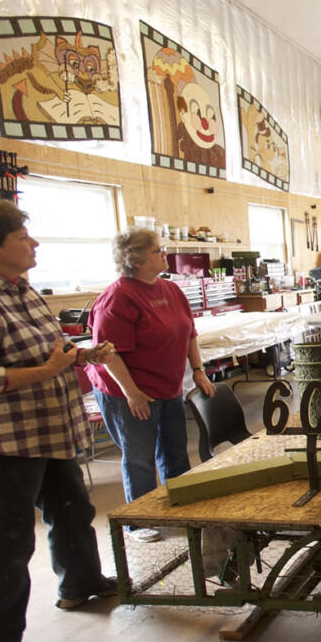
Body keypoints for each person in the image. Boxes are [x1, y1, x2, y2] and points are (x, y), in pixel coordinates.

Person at [0, 196, 117, 642]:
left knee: (71, 510)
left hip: (46, 429)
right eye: (22, 237)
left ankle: (81, 584)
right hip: (3, 441)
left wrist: (79, 355)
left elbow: (45, 350)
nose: (34, 243)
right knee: (4, 541)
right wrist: (48, 368)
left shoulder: (18, 289)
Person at [87, 228, 215, 542]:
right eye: (157, 250)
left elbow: (190, 333)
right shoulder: (117, 298)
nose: (164, 254)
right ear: (135, 259)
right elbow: (109, 354)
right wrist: (132, 393)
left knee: (174, 452)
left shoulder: (171, 290)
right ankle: (138, 521)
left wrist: (197, 370)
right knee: (140, 457)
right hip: (127, 391)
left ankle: (179, 506)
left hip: (168, 386)